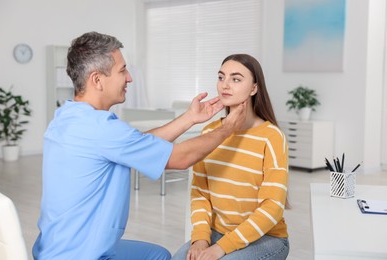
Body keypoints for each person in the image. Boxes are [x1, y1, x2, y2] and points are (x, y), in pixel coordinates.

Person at [32, 32, 247, 260]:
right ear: (97, 80)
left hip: (56, 248)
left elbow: (136, 144)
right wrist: (227, 128)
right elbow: (181, 158)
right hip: (82, 254)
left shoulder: (68, 116)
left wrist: (190, 118)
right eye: (122, 70)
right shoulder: (100, 129)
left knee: (157, 255)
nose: (130, 78)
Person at [172, 54, 289, 260]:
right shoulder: (210, 133)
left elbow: (273, 208)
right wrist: (200, 238)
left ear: (254, 88)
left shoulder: (271, 137)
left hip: (266, 238)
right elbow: (200, 193)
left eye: (236, 79)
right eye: (221, 77)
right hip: (217, 233)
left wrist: (221, 248)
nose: (225, 85)